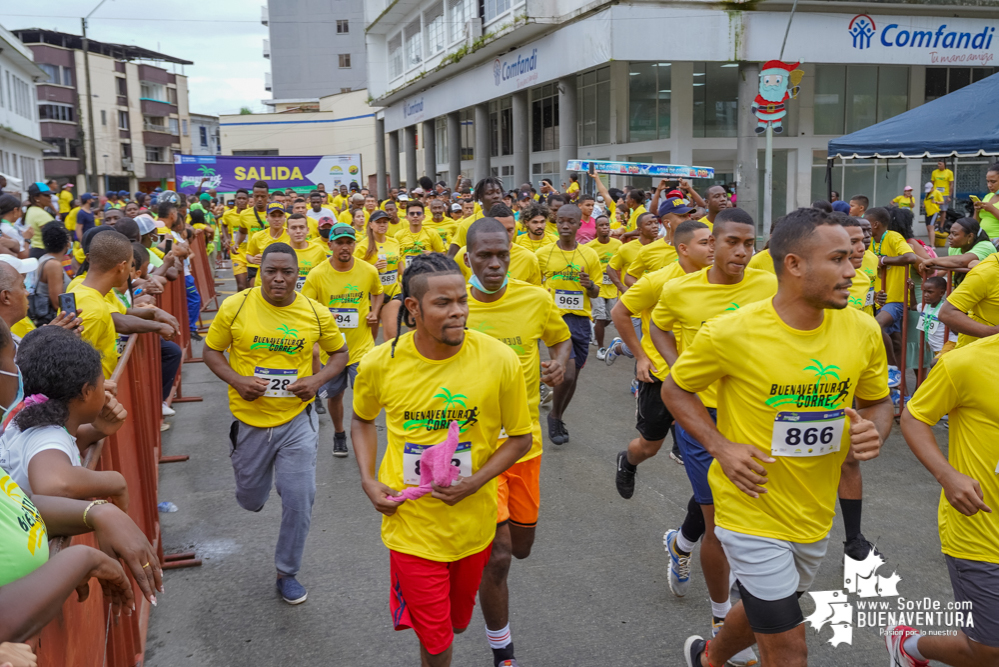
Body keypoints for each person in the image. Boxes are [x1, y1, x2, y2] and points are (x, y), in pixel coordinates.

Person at [669, 207, 893, 667]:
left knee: (762, 610)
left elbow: (878, 402)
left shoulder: (862, 329)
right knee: (789, 650)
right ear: (793, 265)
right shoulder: (731, 332)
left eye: (853, 258)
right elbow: (676, 389)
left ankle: (708, 658)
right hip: (749, 507)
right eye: (838, 259)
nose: (853, 271)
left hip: (812, 511)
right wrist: (720, 446)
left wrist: (874, 432)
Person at [350, 252, 533, 667]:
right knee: (437, 641)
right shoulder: (381, 363)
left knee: (457, 625)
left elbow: (521, 439)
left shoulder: (499, 359)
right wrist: (367, 478)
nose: (458, 313)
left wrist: (476, 481)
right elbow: (361, 421)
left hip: (473, 524)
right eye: (443, 304)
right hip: (411, 526)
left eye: (462, 301)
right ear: (412, 308)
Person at [648, 209, 777, 666]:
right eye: (732, 243)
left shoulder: (767, 284)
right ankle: (722, 618)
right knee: (718, 520)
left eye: (749, 243)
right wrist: (675, 367)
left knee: (751, 511)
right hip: (700, 415)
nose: (742, 252)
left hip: (755, 415)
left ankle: (680, 543)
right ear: (712, 245)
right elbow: (657, 325)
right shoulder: (681, 290)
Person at [203, 243, 348, 604]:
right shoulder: (235, 307)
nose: (279, 279)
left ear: (298, 275)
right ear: (259, 271)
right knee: (250, 499)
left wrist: (317, 382)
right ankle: (253, 477)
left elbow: (340, 353)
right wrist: (237, 380)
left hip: (296, 420)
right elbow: (210, 351)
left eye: (287, 272)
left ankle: (287, 571)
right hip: (250, 421)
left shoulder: (315, 313)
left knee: (300, 496)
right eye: (271, 271)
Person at [464, 218, 571, 667]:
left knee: (521, 547)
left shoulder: (535, 299)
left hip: (525, 445)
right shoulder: (453, 303)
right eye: (483, 256)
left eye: (501, 255)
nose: (493, 264)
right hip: (477, 448)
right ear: (466, 257)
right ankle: (502, 650)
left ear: (513, 253)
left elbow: (561, 339)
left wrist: (558, 364)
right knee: (501, 555)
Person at [893, 333, 999, 667]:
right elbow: (914, 417)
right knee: (989, 653)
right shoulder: (965, 362)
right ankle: (908, 646)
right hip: (982, 532)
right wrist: (947, 475)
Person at [613, 219, 714, 497]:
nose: (713, 248)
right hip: (661, 376)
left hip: (705, 379)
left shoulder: (718, 281)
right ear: (683, 249)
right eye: (705, 243)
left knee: (710, 453)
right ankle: (628, 461)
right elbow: (620, 313)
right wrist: (641, 357)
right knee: (648, 447)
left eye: (714, 242)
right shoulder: (657, 280)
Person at [0, 326, 127, 504]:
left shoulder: (29, 414)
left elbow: (57, 446)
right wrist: (115, 482)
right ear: (85, 392)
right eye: (101, 382)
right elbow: (54, 485)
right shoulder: (49, 435)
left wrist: (97, 430)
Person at [302, 224, 383, 457]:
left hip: (362, 347)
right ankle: (339, 434)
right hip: (332, 350)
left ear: (354, 245)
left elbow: (378, 292)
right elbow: (306, 307)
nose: (345, 247)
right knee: (335, 395)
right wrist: (325, 318)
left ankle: (362, 433)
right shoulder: (317, 274)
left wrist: (374, 311)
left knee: (364, 393)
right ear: (330, 246)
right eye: (340, 243)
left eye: (349, 242)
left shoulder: (368, 270)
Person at [536, 204, 602, 446]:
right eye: (561, 220)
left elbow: (596, 293)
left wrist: (589, 285)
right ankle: (554, 417)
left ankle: (557, 415)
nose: (565, 225)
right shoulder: (543, 254)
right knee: (568, 372)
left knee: (574, 377)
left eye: (570, 221)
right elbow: (533, 286)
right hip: (554, 318)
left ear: (578, 224)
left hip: (580, 320)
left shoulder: (589, 255)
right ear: (556, 221)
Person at [867, 206, 919, 388]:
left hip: (896, 299)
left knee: (875, 325)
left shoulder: (893, 237)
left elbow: (911, 257)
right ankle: (900, 391)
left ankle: (890, 371)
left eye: (867, 225)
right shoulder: (871, 242)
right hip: (879, 298)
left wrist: (883, 260)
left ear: (875, 224)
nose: (864, 230)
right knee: (895, 343)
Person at [455, 205, 542, 287]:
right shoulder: (467, 253)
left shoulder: (529, 258)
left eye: (510, 230)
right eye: (500, 229)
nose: (505, 235)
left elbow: (535, 292)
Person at [355, 210, 405, 341]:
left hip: (392, 292)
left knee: (392, 335)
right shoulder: (362, 247)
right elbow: (353, 274)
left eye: (385, 222)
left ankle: (391, 359)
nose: (382, 225)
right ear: (371, 224)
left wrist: (407, 283)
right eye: (378, 222)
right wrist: (372, 269)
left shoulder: (394, 242)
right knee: (370, 338)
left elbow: (400, 268)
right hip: (371, 297)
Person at [625, 197, 694, 285]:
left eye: (688, 215)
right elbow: (629, 276)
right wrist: (646, 293)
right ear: (667, 223)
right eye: (682, 216)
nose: (688, 219)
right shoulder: (648, 250)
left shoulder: (697, 247)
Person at [160, 201, 202, 339]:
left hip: (183, 272)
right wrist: (182, 250)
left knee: (190, 300)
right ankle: (189, 328)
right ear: (173, 215)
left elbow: (185, 250)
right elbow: (179, 250)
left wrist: (183, 250)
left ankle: (188, 328)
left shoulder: (170, 232)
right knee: (194, 299)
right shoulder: (163, 231)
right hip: (179, 274)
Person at [585, 215, 622, 356]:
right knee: (600, 315)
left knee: (609, 317)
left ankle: (594, 328)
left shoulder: (618, 245)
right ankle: (601, 348)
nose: (605, 227)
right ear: (596, 229)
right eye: (601, 225)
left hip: (612, 285)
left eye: (607, 225)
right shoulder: (590, 247)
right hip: (597, 285)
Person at [920, 216, 995, 277]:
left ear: (970, 236)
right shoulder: (954, 249)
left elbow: (961, 261)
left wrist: (932, 261)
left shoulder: (986, 246)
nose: (949, 237)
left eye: (954, 234)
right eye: (950, 233)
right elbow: (951, 265)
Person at [28, 222, 70, 326]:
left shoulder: (44, 258)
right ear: (66, 243)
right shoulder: (54, 265)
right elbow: (57, 303)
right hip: (51, 319)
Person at [449, 177, 504, 256]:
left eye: (498, 192)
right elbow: (451, 256)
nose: (496, 196)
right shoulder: (467, 224)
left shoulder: (508, 222)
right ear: (480, 197)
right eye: (490, 193)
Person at [237, 181, 270, 286]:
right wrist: (236, 243)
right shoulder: (244, 214)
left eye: (263, 196)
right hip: (254, 260)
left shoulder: (276, 214)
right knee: (253, 292)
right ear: (253, 196)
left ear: (268, 196)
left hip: (273, 261)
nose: (259, 199)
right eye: (257, 196)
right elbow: (242, 231)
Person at [285, 214, 328, 292]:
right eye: (293, 228)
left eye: (301, 227)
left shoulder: (318, 249)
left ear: (307, 230)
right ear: (287, 231)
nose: (298, 231)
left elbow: (325, 276)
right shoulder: (281, 250)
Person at [223, 188, 251, 291]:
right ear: (235, 200)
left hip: (251, 253)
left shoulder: (252, 214)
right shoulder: (228, 214)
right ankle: (240, 305)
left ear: (248, 200)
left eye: (244, 198)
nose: (241, 201)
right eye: (239, 198)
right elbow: (224, 225)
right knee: (241, 285)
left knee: (250, 286)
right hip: (237, 253)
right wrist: (226, 238)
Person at [24, 184, 54, 260]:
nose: (50, 198)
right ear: (36, 198)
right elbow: (54, 237)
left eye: (50, 195)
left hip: (37, 251)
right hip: (44, 253)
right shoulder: (40, 214)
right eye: (46, 195)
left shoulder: (32, 209)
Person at [973, 161, 999, 239]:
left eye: (993, 182)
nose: (989, 185)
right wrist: (977, 211)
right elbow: (975, 223)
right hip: (983, 239)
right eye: (987, 181)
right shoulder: (988, 196)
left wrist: (992, 209)